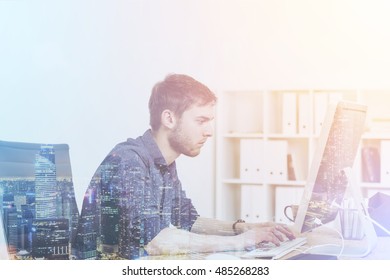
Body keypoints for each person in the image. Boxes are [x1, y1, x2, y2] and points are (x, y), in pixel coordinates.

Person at [73, 74, 295, 260]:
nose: (209, 131)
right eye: (201, 121)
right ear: (169, 118)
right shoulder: (129, 161)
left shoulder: (164, 164)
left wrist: (244, 228)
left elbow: (190, 221)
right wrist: (240, 242)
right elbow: (154, 241)